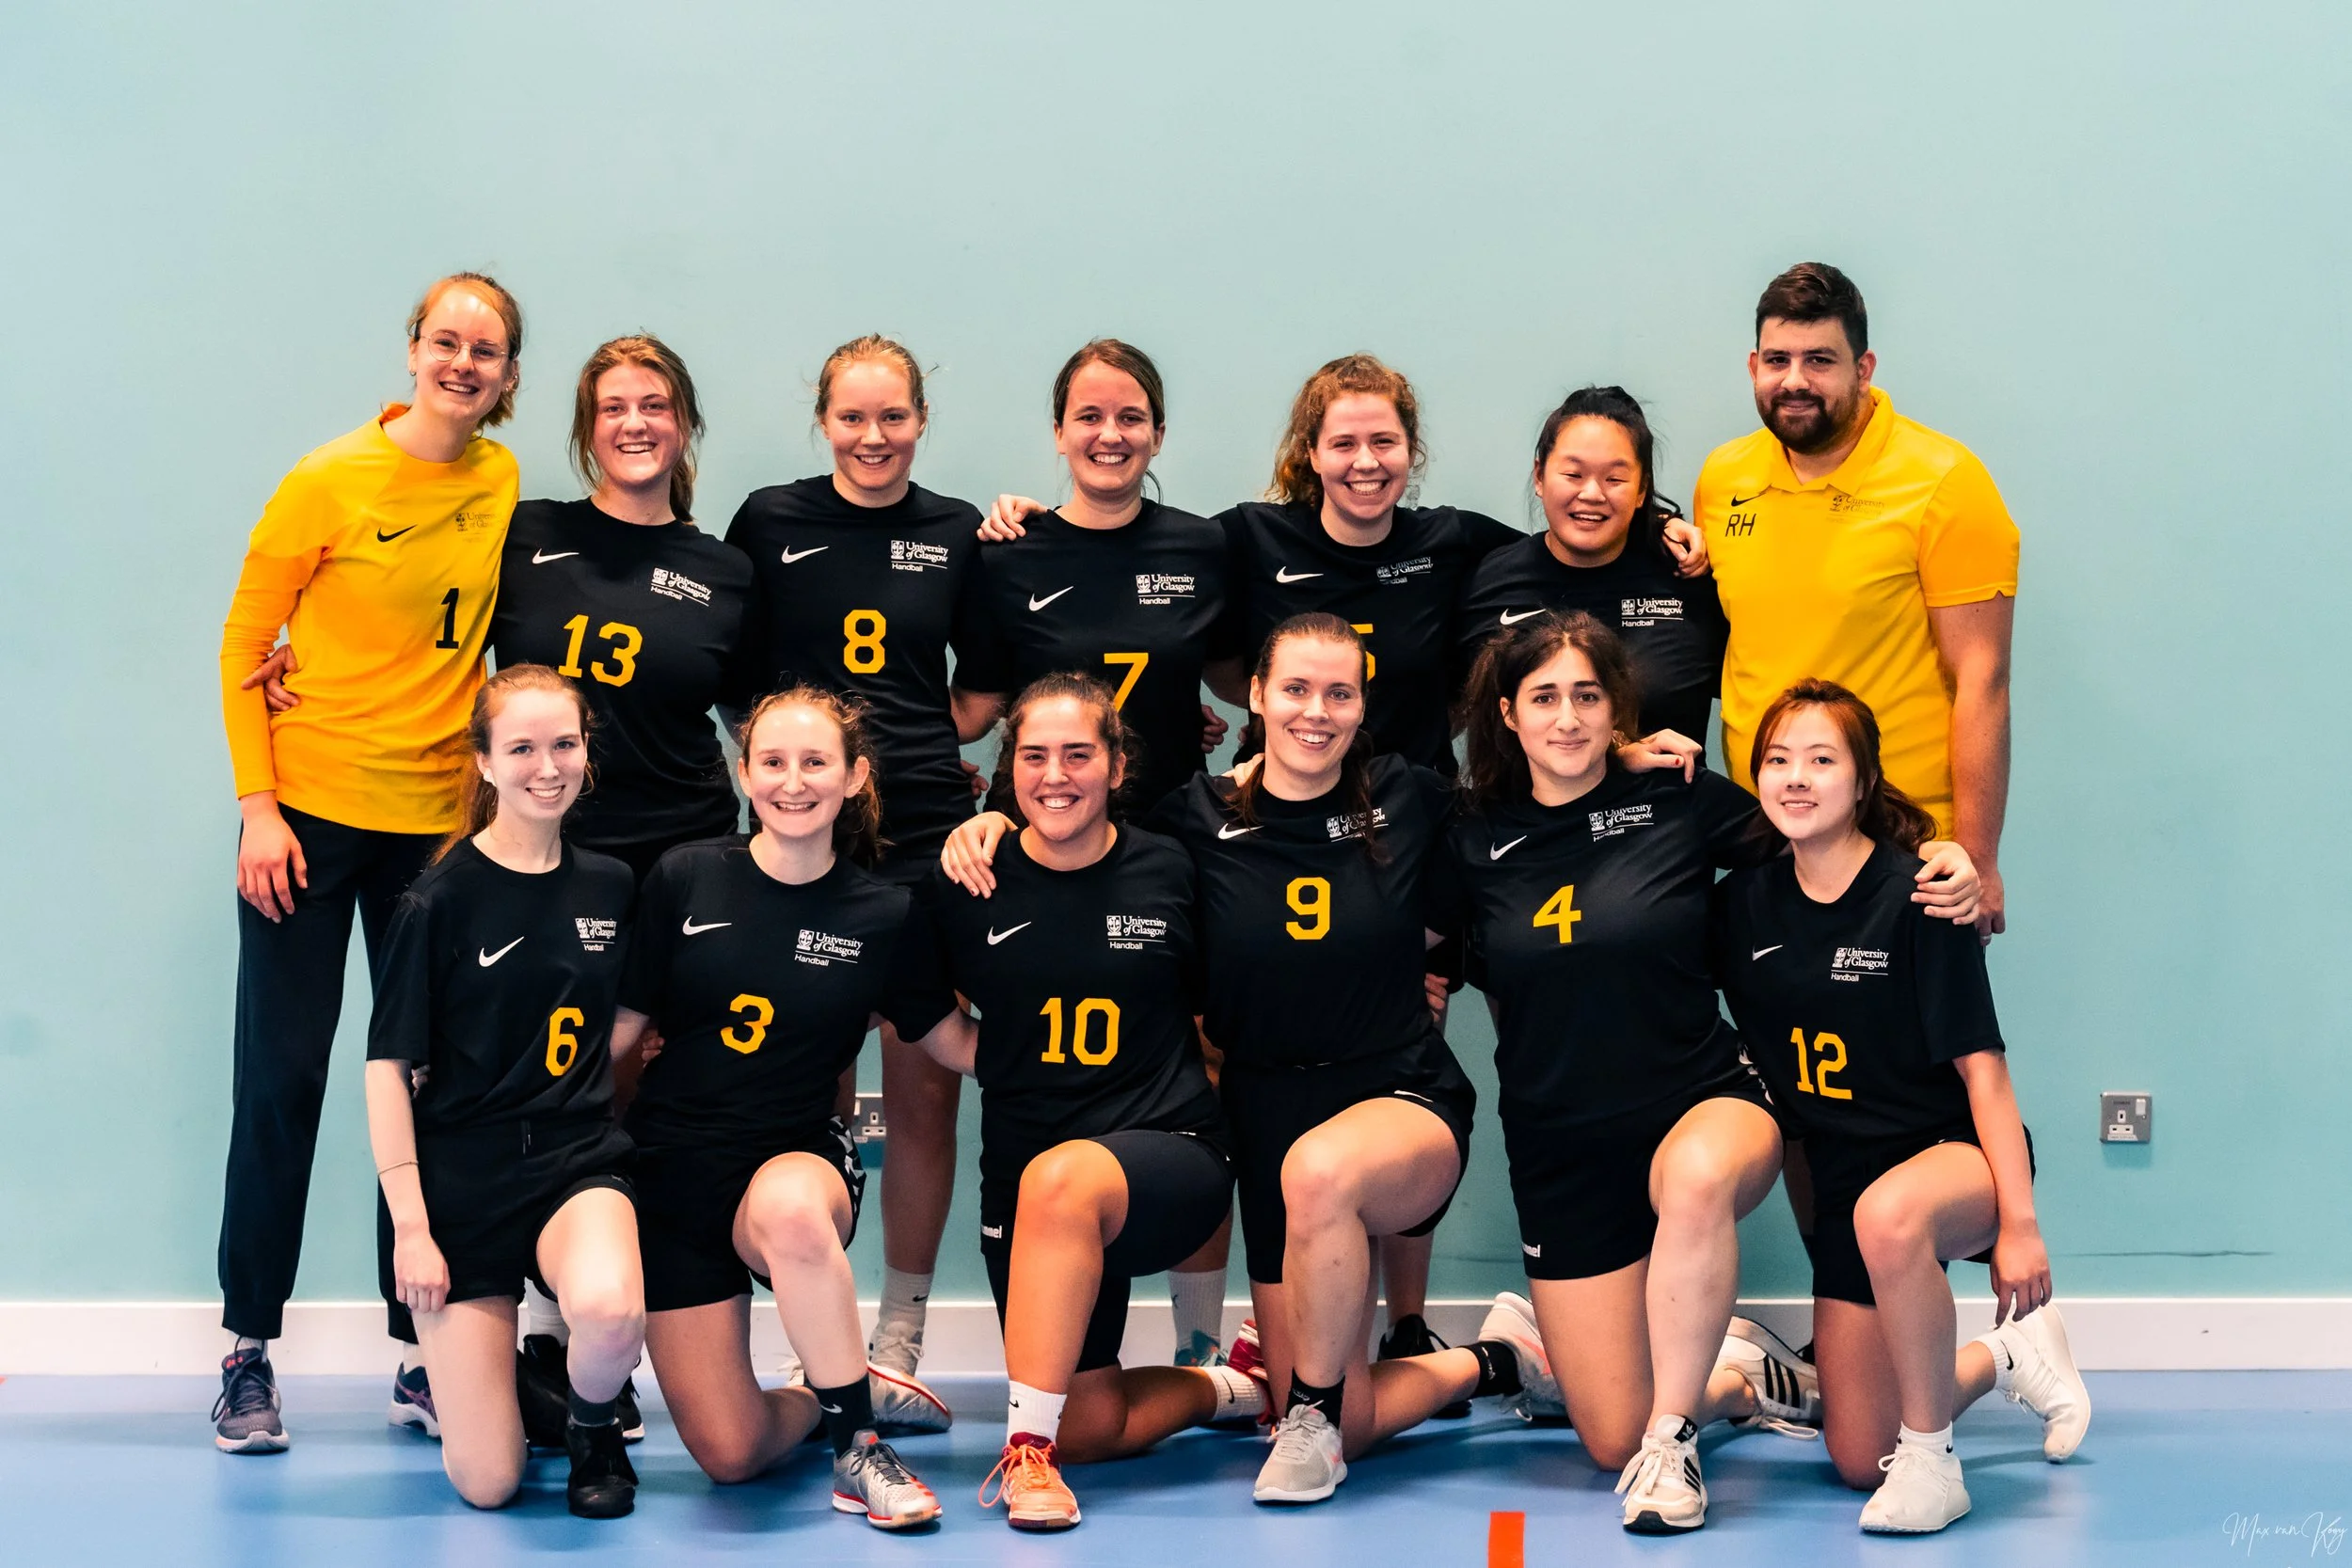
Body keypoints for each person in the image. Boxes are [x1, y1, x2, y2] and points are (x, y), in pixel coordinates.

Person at [942, 617, 1534, 1505]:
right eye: (1295, 688)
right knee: (1337, 1416)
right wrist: (989, 821)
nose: (1316, 711)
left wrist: (1631, 758)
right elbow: (1082, 841)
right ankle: (1499, 1358)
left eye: (1339, 693)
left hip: (1397, 1094)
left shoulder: (1407, 793)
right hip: (1265, 1115)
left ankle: (1312, 1416)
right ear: (1255, 694)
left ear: (1362, 705)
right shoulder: (1194, 817)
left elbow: (1530, 808)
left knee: (1324, 1172)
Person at [1436, 612, 1980, 1532]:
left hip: (1706, 1100)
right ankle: (1737, 1383)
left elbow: (1824, 831)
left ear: (1616, 709)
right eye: (1544, 697)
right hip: (1560, 1145)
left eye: (1587, 696)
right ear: (1506, 712)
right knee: (1608, 1436)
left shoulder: (1676, 797)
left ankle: (1675, 1441)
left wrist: (1942, 854)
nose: (1566, 717)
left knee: (1691, 1181)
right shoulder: (1467, 836)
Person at [212, 271, 524, 1453]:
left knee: (426, 1085)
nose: (462, 362)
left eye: (485, 349)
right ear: (412, 350)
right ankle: (247, 1350)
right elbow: (246, 642)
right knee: (281, 1079)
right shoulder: (329, 477)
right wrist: (258, 808)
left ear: (507, 374)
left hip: (434, 830)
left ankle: (420, 1353)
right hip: (307, 822)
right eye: (446, 340)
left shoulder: (499, 480)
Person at [889, 673, 1261, 1530]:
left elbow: (1231, 993)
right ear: (1009, 769)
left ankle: (1027, 1455)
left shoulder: (1171, 865)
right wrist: (993, 1057)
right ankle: (1233, 1385)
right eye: (1034, 756)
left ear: (1118, 766)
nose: (1055, 775)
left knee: (1063, 1180)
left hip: (1168, 1153)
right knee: (1089, 1424)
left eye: (1078, 754)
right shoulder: (968, 877)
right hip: (1028, 1179)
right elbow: (925, 1014)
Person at [1715, 680, 2088, 1534]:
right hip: (1844, 1179)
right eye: (1778, 759)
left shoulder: (1922, 893)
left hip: (1955, 1155)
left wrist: (2020, 1225)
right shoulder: (1740, 905)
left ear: (1862, 780)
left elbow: (1985, 1073)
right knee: (1856, 1455)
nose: (1796, 777)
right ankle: (2006, 1355)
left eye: (1821, 759)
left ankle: (1934, 1465)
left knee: (1889, 1215)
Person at [722, 335, 987, 1424]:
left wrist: (917, 747)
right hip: (804, 828)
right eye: (852, 417)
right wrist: (798, 771)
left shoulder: (959, 530)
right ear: (822, 420)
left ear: (920, 419)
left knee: (923, 1081)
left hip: (923, 828)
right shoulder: (767, 520)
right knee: (807, 1078)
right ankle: (816, 1336)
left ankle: (900, 1336)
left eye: (893, 416)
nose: (873, 437)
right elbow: (733, 677)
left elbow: (983, 687)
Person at [612, 689, 942, 1528]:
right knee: (732, 1453)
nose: (793, 782)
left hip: (795, 1156)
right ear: (744, 772)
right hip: (674, 1172)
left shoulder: (884, 912)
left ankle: (859, 1449)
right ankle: (844, 1390)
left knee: (793, 1212)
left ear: (854, 775)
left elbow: (952, 1040)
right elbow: (618, 1030)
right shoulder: (685, 875)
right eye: (774, 762)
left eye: (816, 762)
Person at [365, 664, 644, 1518]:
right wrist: (412, 1229)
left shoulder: (611, 884)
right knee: (489, 1483)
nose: (546, 766)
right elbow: (385, 1071)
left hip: (574, 1161)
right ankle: (506, 1387)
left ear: (586, 751)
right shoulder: (438, 899)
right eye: (521, 747)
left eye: (564, 744)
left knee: (610, 1311)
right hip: (463, 1181)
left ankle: (592, 1426)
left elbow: (621, 1019)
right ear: (485, 762)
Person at [1692, 261, 2019, 934]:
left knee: (1911, 1010)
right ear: (1753, 366)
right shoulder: (1723, 479)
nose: (1795, 380)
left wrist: (1980, 858)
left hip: (1903, 842)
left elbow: (1981, 678)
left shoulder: (1945, 482)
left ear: (1864, 369)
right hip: (1767, 835)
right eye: (1778, 359)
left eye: (1820, 360)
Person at [955, 340, 1240, 811]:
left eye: (1130, 418)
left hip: (1172, 827)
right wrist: (921, 768)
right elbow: (973, 713)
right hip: (1038, 830)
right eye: (1089, 417)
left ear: (1158, 435)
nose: (1110, 435)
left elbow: (1240, 683)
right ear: (1059, 433)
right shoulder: (1007, 555)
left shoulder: (1205, 546)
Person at [1455, 387, 1730, 759]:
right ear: (1539, 476)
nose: (1592, 493)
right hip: (1524, 799)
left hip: (1672, 797)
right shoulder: (1487, 581)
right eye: (1573, 474)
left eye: (1615, 479)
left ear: (1642, 489)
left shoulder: (1687, 574)